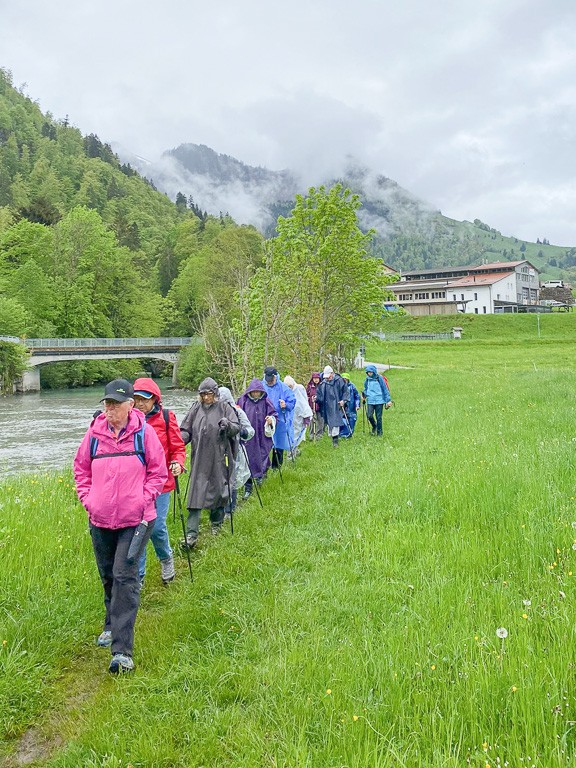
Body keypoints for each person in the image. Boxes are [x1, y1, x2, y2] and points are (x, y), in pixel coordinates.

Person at [73, 379, 168, 674]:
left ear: (130, 405)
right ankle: (110, 623)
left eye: (116, 403)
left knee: (124, 577)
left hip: (136, 520)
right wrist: (89, 500)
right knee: (107, 574)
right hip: (100, 518)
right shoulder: (94, 434)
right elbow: (80, 469)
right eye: (107, 403)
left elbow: (158, 473)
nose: (110, 408)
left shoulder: (144, 434)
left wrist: (143, 500)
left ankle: (122, 651)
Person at [132, 377, 186, 587]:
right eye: (136, 399)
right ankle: (138, 576)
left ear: (155, 399)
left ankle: (166, 558)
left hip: (162, 483)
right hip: (136, 484)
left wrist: (178, 463)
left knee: (156, 527)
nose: (140, 404)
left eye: (145, 399)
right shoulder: (129, 420)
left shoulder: (166, 417)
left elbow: (178, 447)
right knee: (138, 528)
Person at [179, 378, 240, 547]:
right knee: (195, 493)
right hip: (199, 458)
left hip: (219, 457)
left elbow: (236, 427)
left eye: (209, 394)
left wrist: (227, 425)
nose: (206, 397)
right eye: (203, 394)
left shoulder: (224, 408)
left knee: (218, 491)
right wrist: (178, 441)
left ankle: (216, 524)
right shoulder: (195, 409)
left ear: (215, 394)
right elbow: (185, 430)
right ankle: (191, 534)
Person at [236, 379, 277, 499]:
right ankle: (248, 486)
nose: (255, 394)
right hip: (248, 437)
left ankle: (260, 476)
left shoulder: (266, 401)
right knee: (248, 459)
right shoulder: (243, 400)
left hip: (262, 435)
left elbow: (274, 414)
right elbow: (235, 413)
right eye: (253, 392)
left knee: (262, 455)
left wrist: (271, 420)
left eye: (257, 392)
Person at [218, 386, 255, 513]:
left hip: (234, 450)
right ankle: (217, 507)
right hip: (216, 451)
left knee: (231, 479)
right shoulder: (212, 413)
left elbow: (250, 431)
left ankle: (230, 509)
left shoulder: (238, 412)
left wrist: (241, 432)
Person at [262, 366, 296, 466]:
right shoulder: (261, 386)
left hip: (280, 420)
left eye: (271, 380)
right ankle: (263, 467)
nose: (269, 382)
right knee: (263, 443)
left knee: (278, 443)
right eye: (267, 380)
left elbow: (292, 402)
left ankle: (276, 467)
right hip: (263, 419)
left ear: (275, 376)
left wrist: (286, 405)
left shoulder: (284, 388)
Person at [315, 365, 348, 447]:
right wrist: (316, 398)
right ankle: (333, 438)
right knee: (329, 423)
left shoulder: (339, 381)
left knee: (336, 422)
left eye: (329, 377)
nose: (327, 378)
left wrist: (343, 400)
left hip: (337, 405)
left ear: (332, 374)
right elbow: (320, 395)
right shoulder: (323, 383)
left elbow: (345, 391)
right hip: (327, 407)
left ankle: (335, 442)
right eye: (326, 377)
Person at [362, 364, 392, 436]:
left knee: (379, 417)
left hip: (379, 400)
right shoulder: (367, 379)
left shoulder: (379, 378)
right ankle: (374, 426)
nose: (369, 374)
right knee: (369, 415)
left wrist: (388, 400)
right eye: (368, 372)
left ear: (374, 372)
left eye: (371, 372)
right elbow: (366, 388)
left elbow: (385, 389)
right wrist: (364, 395)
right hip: (370, 400)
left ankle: (379, 433)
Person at [283, 375, 313, 449]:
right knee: (290, 433)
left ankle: (294, 448)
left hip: (299, 415)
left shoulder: (299, 389)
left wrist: (306, 415)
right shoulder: (285, 392)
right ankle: (291, 449)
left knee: (298, 431)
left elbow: (304, 403)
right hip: (290, 415)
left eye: (290, 386)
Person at [339, 373, 361, 438]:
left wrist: (357, 405)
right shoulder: (339, 387)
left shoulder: (352, 386)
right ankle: (343, 434)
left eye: (346, 379)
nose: (345, 380)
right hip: (342, 406)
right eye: (343, 379)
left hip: (351, 407)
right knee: (342, 420)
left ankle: (350, 434)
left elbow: (357, 396)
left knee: (352, 420)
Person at [306, 372, 324, 440]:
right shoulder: (310, 386)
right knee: (312, 420)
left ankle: (319, 435)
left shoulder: (322, 386)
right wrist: (310, 399)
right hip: (311, 405)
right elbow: (307, 394)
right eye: (314, 378)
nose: (316, 380)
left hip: (320, 406)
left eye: (317, 378)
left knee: (320, 420)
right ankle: (311, 434)